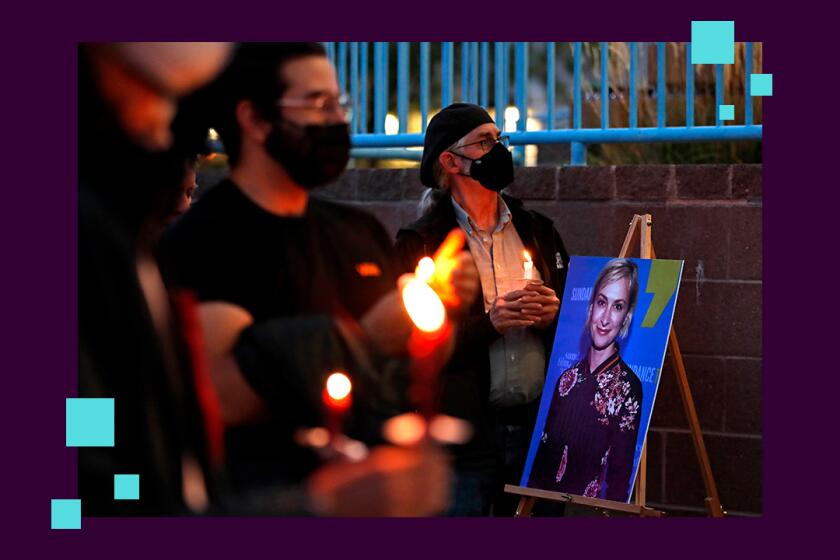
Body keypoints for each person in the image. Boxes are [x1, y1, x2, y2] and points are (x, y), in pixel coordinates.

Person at [159, 44, 477, 498]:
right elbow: (224, 393)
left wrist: (439, 306)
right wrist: (365, 340)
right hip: (263, 501)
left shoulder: (357, 230)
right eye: (317, 104)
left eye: (338, 103)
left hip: (371, 491)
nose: (336, 120)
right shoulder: (203, 238)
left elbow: (403, 372)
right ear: (255, 119)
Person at [395, 103, 570, 516]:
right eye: (485, 141)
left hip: (536, 430)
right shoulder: (422, 244)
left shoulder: (538, 230)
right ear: (451, 161)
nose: (499, 149)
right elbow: (411, 345)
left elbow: (577, 324)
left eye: (499, 139)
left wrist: (554, 316)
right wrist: (490, 324)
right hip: (465, 439)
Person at [527, 258, 643, 503]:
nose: (606, 318)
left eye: (618, 306)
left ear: (627, 317)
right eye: (602, 303)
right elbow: (541, 462)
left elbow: (619, 477)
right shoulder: (566, 379)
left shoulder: (628, 388)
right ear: (590, 308)